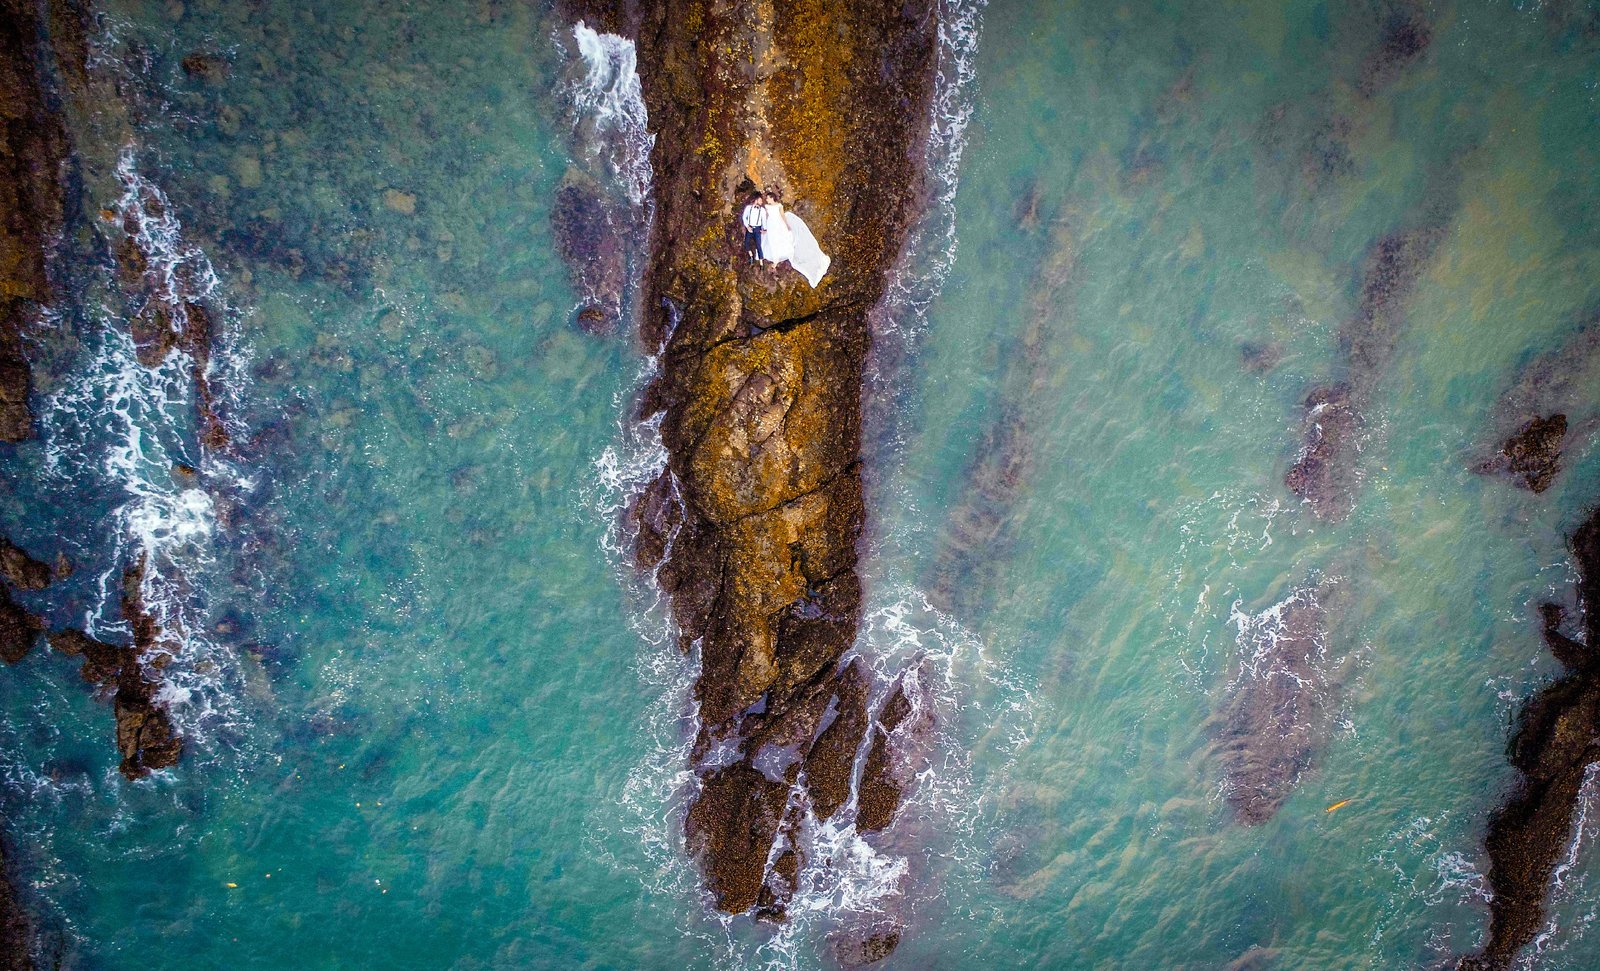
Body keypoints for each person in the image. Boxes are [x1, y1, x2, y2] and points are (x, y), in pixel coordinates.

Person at [760, 190, 795, 266]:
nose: (766, 200)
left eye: (768, 198)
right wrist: (765, 228)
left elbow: (782, 215)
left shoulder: (779, 205)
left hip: (778, 224)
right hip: (770, 224)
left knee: (781, 238)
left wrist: (787, 224)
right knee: (772, 241)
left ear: (772, 198)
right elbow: (766, 217)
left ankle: (784, 254)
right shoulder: (767, 206)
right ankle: (775, 259)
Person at [740, 191, 766, 265]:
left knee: (758, 245)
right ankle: (751, 256)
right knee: (746, 243)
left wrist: (764, 229)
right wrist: (747, 226)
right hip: (750, 228)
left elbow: (764, 220)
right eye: (760, 200)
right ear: (756, 200)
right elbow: (744, 217)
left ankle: (761, 263)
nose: (761, 202)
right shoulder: (749, 208)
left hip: (758, 229)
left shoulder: (762, 210)